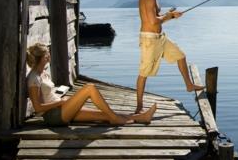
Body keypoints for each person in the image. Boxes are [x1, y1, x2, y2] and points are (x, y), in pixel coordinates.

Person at [26, 42, 156, 125]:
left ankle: (142, 117)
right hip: (54, 116)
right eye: (46, 54)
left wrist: (61, 101)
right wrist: (61, 102)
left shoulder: (44, 73)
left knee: (105, 114)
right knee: (89, 87)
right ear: (41, 58)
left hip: (62, 109)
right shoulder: (34, 78)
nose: (49, 55)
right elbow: (38, 108)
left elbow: (48, 97)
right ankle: (116, 119)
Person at [136, 0, 204, 113]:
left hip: (160, 37)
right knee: (144, 73)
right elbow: (153, 21)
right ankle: (139, 107)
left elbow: (156, 18)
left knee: (180, 56)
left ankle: (189, 85)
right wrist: (170, 15)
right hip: (150, 39)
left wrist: (171, 16)